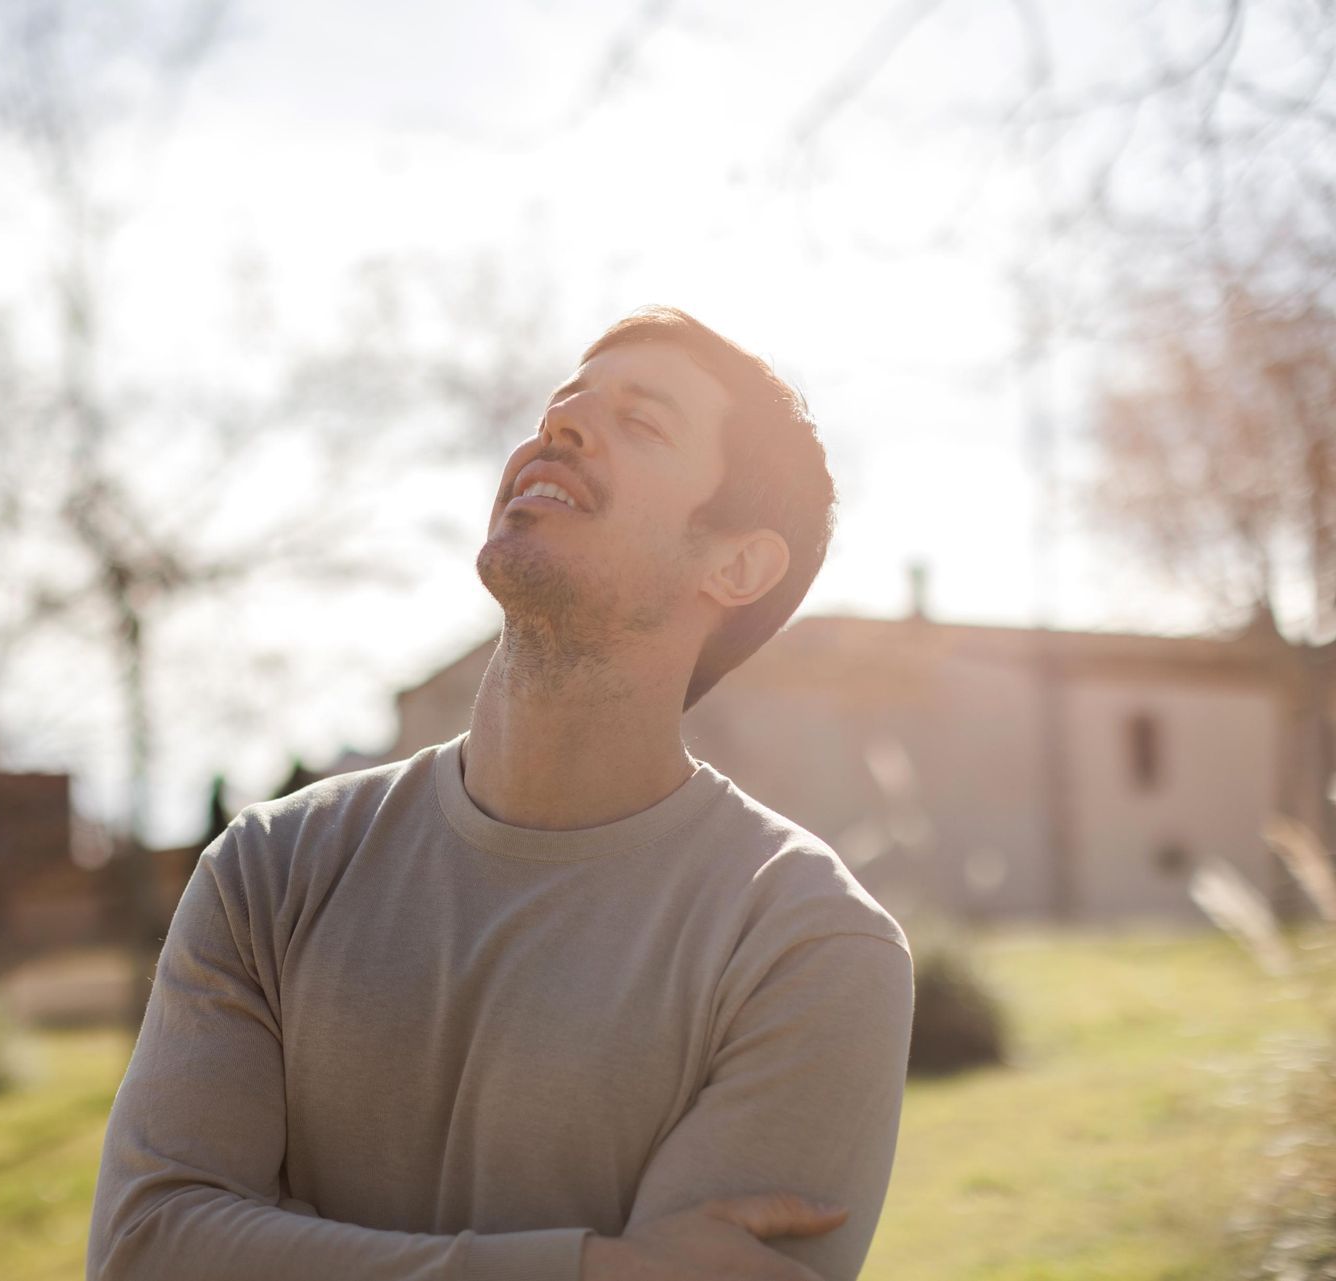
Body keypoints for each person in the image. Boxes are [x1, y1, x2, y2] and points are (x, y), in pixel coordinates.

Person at [86, 306, 915, 1281]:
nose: (557, 428)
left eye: (641, 423)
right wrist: (596, 1267)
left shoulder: (806, 944)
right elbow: (145, 1252)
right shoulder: (272, 867)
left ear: (735, 563)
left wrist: (277, 1243)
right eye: (564, 405)